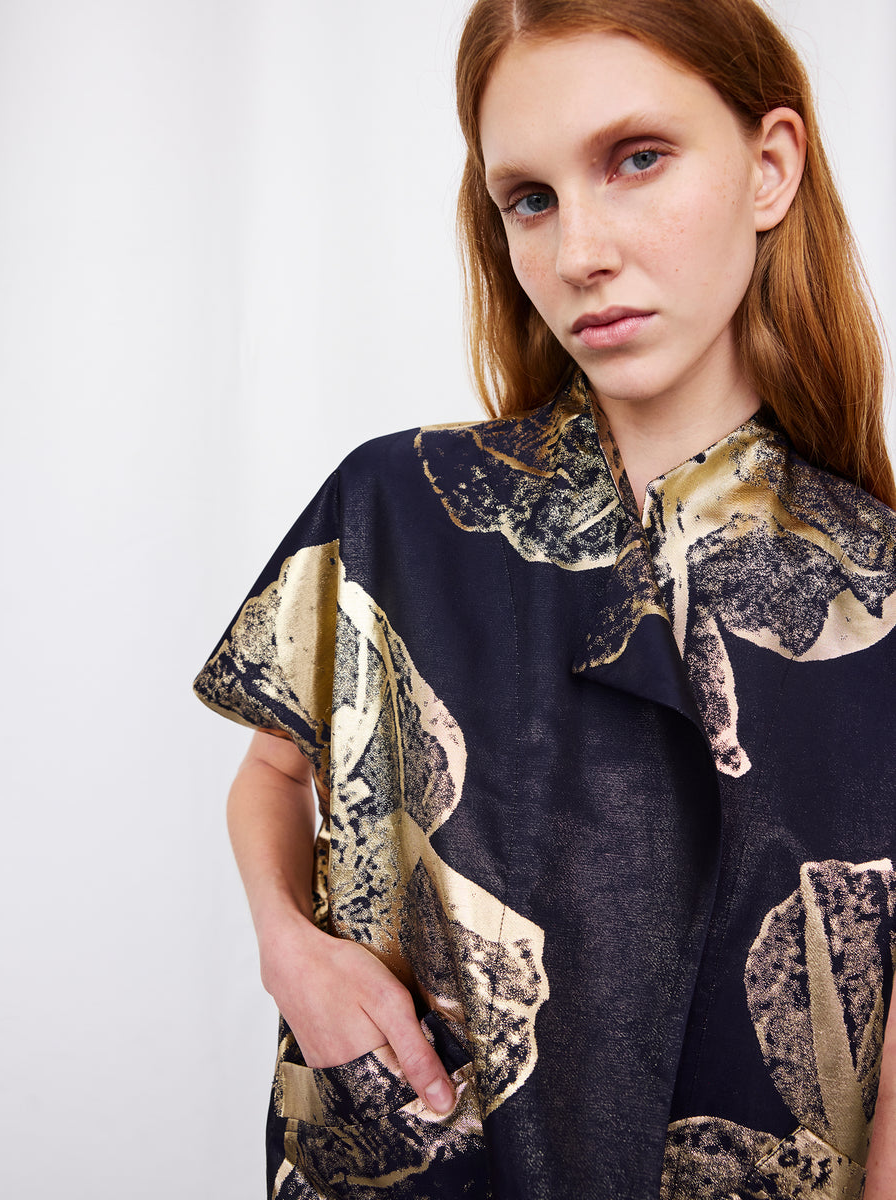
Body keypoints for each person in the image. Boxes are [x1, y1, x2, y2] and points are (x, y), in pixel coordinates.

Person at [194, 1, 896, 1196]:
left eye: (637, 159)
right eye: (529, 198)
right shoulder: (397, 509)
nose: (579, 254)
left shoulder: (877, 598)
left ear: (770, 167)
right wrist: (288, 949)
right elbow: (272, 773)